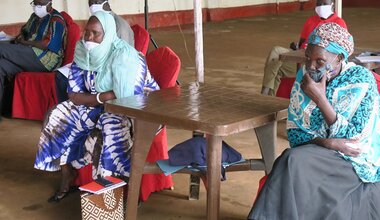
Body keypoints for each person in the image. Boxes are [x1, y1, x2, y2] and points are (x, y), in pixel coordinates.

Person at [248, 23, 380, 219]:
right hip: (318, 150)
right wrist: (326, 142)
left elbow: (352, 140)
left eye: (320, 61)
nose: (310, 66)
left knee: (293, 161)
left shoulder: (361, 80)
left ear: (339, 58)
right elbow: (295, 133)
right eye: (307, 58)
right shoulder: (304, 76)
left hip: (355, 161)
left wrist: (320, 98)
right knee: (292, 159)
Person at [34, 11, 160, 202]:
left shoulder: (126, 57)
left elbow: (127, 101)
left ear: (108, 34)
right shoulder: (83, 52)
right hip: (102, 105)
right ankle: (68, 175)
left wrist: (97, 98)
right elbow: (74, 95)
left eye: (96, 33)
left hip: (140, 111)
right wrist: (105, 96)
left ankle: (118, 193)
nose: (89, 37)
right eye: (87, 32)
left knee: (110, 126)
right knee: (57, 113)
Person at [261, 0, 347, 96]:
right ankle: (268, 98)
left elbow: (340, 49)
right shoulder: (311, 20)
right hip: (302, 58)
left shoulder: (338, 23)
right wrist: (297, 46)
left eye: (324, 3)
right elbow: (302, 42)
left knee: (277, 68)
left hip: (317, 66)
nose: (321, 6)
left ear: (332, 5)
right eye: (318, 4)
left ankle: (265, 95)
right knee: (275, 54)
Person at [55, 0, 135, 103]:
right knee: (62, 75)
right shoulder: (94, 22)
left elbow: (122, 55)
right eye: (90, 2)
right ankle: (70, 107)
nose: (93, 5)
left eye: (96, 1)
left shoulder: (119, 26)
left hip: (109, 65)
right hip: (93, 60)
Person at [0, 0, 66, 120]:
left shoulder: (56, 20)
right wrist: (20, 38)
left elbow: (50, 44)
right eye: (35, 4)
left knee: (1, 48)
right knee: (1, 66)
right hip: (29, 56)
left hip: (45, 60)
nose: (37, 7)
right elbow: (24, 31)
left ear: (50, 2)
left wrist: (25, 42)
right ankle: (2, 109)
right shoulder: (34, 17)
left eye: (40, 4)